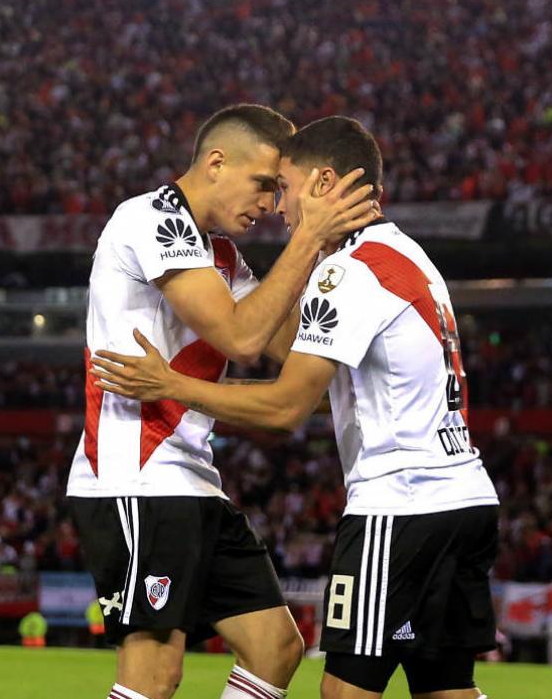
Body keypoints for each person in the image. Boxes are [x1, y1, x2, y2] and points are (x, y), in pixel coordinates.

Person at [91, 116, 500, 699]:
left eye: (281, 186)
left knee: (341, 692)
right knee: (441, 684)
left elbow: (279, 392)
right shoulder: (407, 256)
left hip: (401, 502)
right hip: (465, 496)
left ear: (324, 182)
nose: (276, 206)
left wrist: (169, 385)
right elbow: (287, 348)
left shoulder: (349, 270)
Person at [67, 103, 380, 699]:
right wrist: (309, 236)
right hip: (136, 478)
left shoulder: (223, 255)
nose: (270, 204)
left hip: (190, 482)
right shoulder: (151, 218)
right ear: (216, 163)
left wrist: (343, 276)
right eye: (264, 184)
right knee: (156, 670)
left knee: (277, 648)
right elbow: (239, 336)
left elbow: (287, 346)